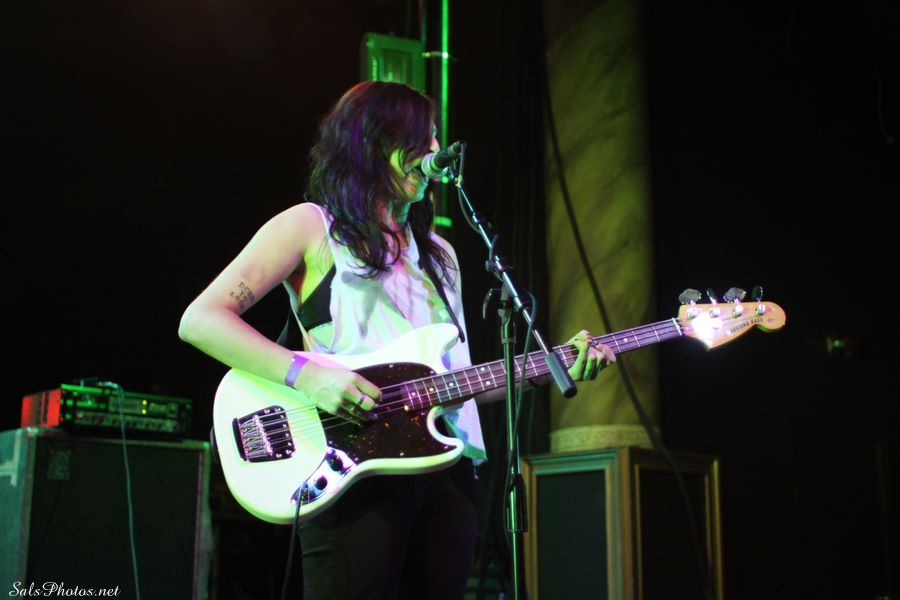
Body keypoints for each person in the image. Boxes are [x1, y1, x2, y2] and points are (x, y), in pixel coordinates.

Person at [178, 80, 615, 599]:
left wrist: (552, 366)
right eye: (419, 138)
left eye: (434, 137)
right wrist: (309, 376)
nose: (434, 151)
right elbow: (201, 319)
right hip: (350, 465)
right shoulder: (312, 227)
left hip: (444, 472)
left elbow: (458, 382)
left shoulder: (440, 255)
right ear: (370, 144)